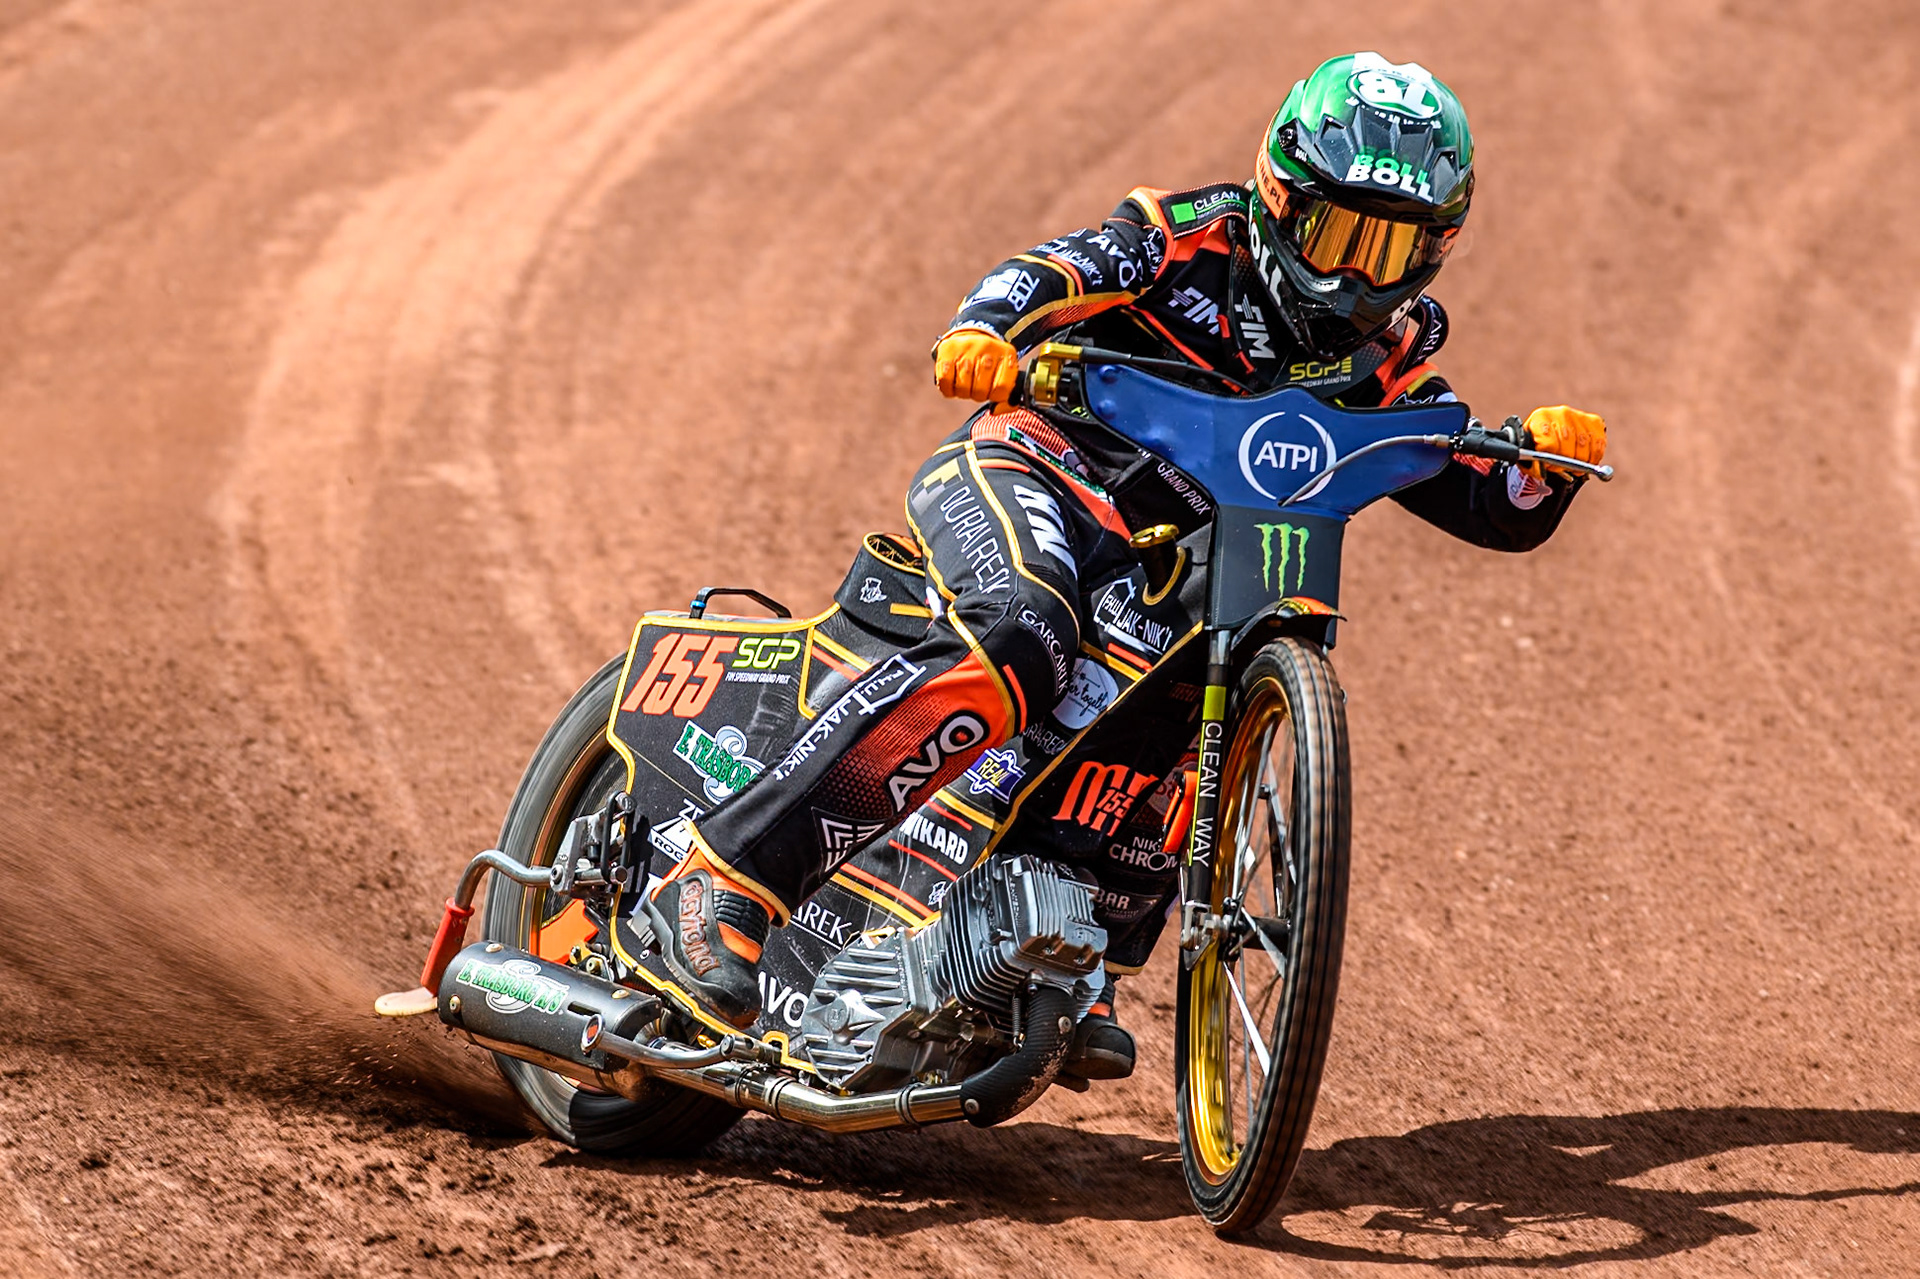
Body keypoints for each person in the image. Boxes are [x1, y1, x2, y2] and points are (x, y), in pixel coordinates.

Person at [643, 53, 1607, 1070]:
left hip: (1176, 570)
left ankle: (1048, 947)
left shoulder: (1389, 360)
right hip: (1035, 468)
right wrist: (984, 331)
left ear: (1438, 250)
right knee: (1025, 634)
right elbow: (1048, 274)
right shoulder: (1182, 236)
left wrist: (1540, 469)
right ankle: (721, 880)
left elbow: (1475, 496)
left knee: (1196, 695)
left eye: (1390, 248)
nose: (1355, 275)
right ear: (1278, 196)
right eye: (1336, 234)